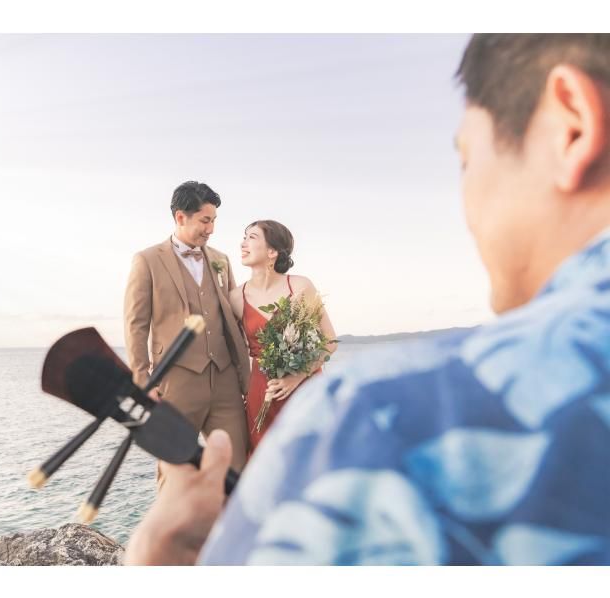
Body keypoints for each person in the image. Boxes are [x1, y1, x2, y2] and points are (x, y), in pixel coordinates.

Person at [125, 34, 610, 565]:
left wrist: (154, 561)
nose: (465, 203)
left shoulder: (372, 420)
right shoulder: (193, 274)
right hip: (234, 391)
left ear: (572, 127)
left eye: (468, 160)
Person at [123, 180, 251, 475]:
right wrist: (143, 381)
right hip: (175, 381)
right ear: (181, 217)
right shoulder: (147, 261)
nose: (211, 229)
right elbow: (136, 325)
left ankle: (229, 522)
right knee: (173, 468)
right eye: (205, 220)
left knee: (236, 465)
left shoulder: (221, 260)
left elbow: (235, 314)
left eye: (214, 221)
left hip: (225, 379)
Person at [229, 220, 337, 451]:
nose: (243, 243)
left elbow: (329, 340)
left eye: (252, 237)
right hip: (263, 392)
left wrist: (297, 376)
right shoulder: (235, 298)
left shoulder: (300, 286)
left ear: (272, 251)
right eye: (244, 236)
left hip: (306, 390)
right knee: (266, 461)